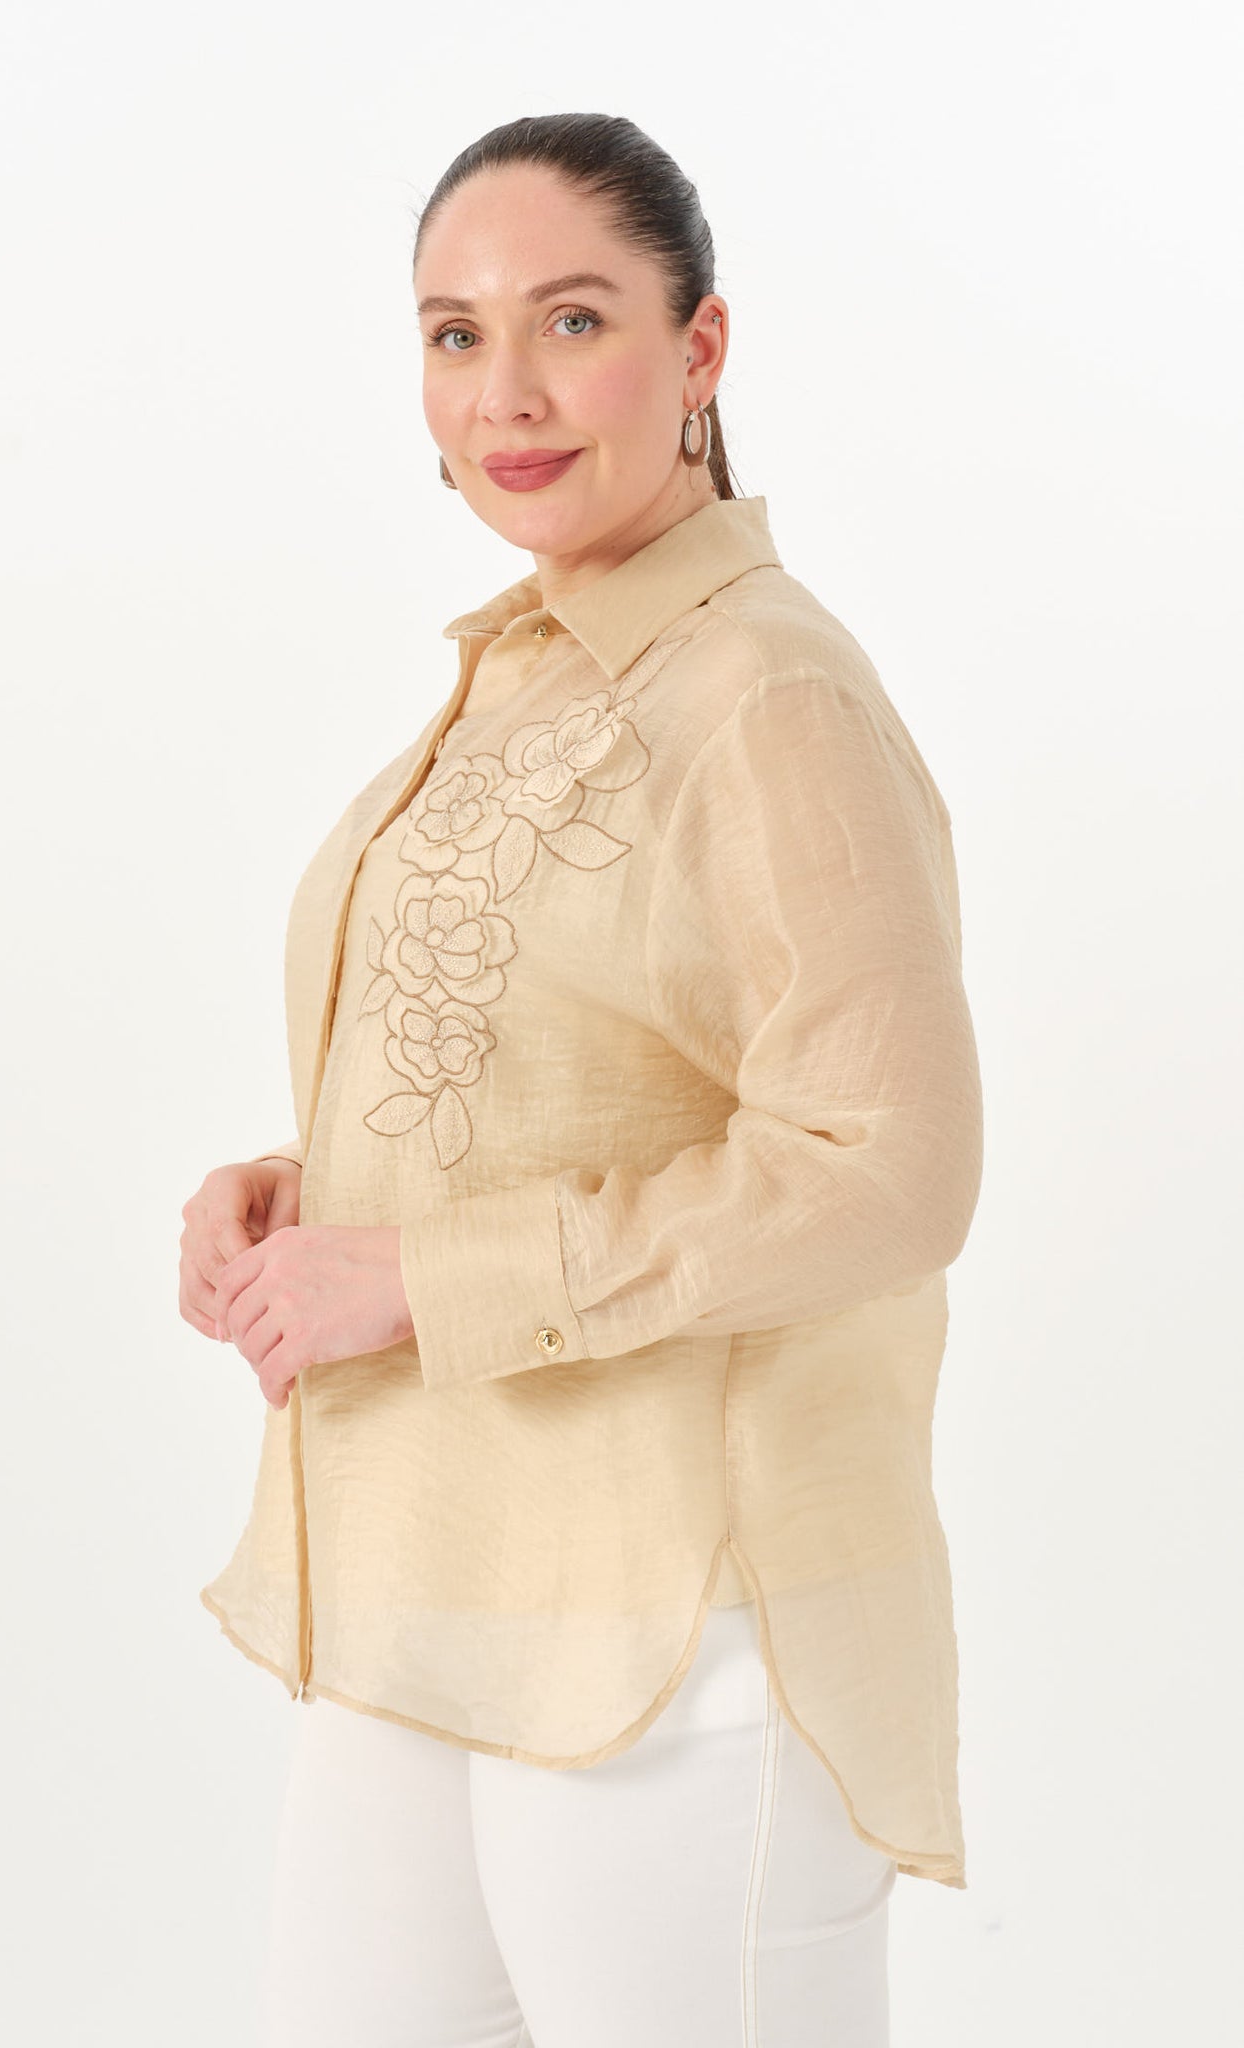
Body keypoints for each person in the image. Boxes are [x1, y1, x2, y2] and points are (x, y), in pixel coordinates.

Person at [178, 111, 984, 2048]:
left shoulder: (762, 687)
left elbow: (888, 1163)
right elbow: (582, 1069)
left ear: (698, 349)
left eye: (569, 320)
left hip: (677, 1624)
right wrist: (311, 1191)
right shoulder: (535, 665)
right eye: (453, 335)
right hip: (435, 1582)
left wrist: (419, 1278)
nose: (505, 394)